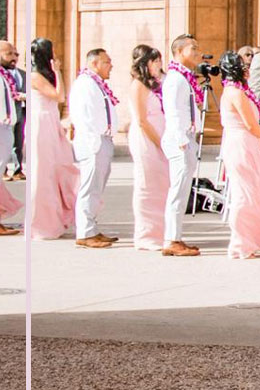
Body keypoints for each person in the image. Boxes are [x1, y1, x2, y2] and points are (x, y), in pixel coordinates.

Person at [217, 51, 260, 260]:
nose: (247, 69)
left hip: (249, 142)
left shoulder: (241, 91)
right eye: (244, 66)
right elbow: (250, 124)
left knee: (258, 191)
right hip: (241, 143)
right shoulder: (235, 93)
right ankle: (241, 242)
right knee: (245, 193)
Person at [25, 38, 78, 240]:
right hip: (40, 123)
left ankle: (55, 217)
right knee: (42, 171)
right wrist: (58, 72)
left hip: (50, 120)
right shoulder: (35, 76)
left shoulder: (43, 75)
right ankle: (41, 223)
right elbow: (59, 96)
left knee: (57, 168)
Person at [69, 47, 120, 248]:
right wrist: (94, 143)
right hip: (93, 142)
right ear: (94, 63)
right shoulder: (84, 84)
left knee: (96, 188)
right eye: (107, 62)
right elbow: (83, 117)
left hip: (102, 140)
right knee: (89, 188)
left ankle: (91, 228)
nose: (111, 66)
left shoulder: (96, 84)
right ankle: (85, 232)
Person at [160, 34, 204, 256]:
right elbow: (174, 112)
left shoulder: (184, 78)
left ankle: (175, 236)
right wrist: (182, 141)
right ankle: (171, 239)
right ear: (178, 52)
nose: (197, 52)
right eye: (192, 48)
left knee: (182, 190)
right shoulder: (175, 79)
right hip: (180, 140)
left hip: (186, 138)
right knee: (177, 191)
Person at [127, 45, 169, 252]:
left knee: (161, 184)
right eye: (155, 61)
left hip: (160, 134)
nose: (159, 65)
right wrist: (160, 142)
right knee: (147, 184)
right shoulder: (138, 86)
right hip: (147, 138)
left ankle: (161, 230)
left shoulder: (155, 84)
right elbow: (142, 120)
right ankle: (146, 234)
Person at [0, 40, 27, 181]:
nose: (14, 57)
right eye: (8, 53)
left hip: (9, 122)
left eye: (15, 54)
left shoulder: (6, 75)